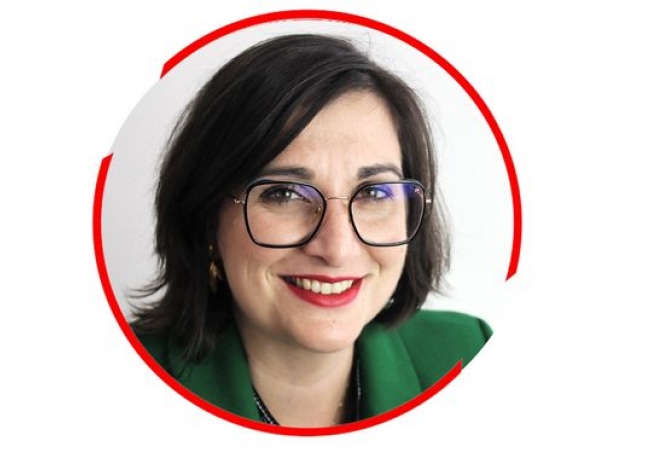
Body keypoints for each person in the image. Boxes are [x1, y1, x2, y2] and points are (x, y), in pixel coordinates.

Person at [131, 33, 492, 428]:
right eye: (284, 193)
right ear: (206, 219)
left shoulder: (470, 353)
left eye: (374, 192)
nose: (337, 248)